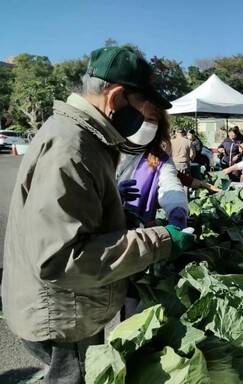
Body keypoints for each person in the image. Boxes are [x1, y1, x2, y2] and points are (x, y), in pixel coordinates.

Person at [1, 46, 195, 383]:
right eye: (140, 107)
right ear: (116, 97)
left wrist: (118, 213)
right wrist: (161, 240)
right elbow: (61, 258)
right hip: (62, 316)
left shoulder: (81, 137)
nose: (141, 119)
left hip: (64, 308)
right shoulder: (71, 147)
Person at [117, 108, 188, 229]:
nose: (143, 124)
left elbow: (170, 186)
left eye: (151, 119)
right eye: (138, 117)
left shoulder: (160, 159)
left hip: (139, 234)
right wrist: (114, 195)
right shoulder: (107, 150)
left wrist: (178, 211)